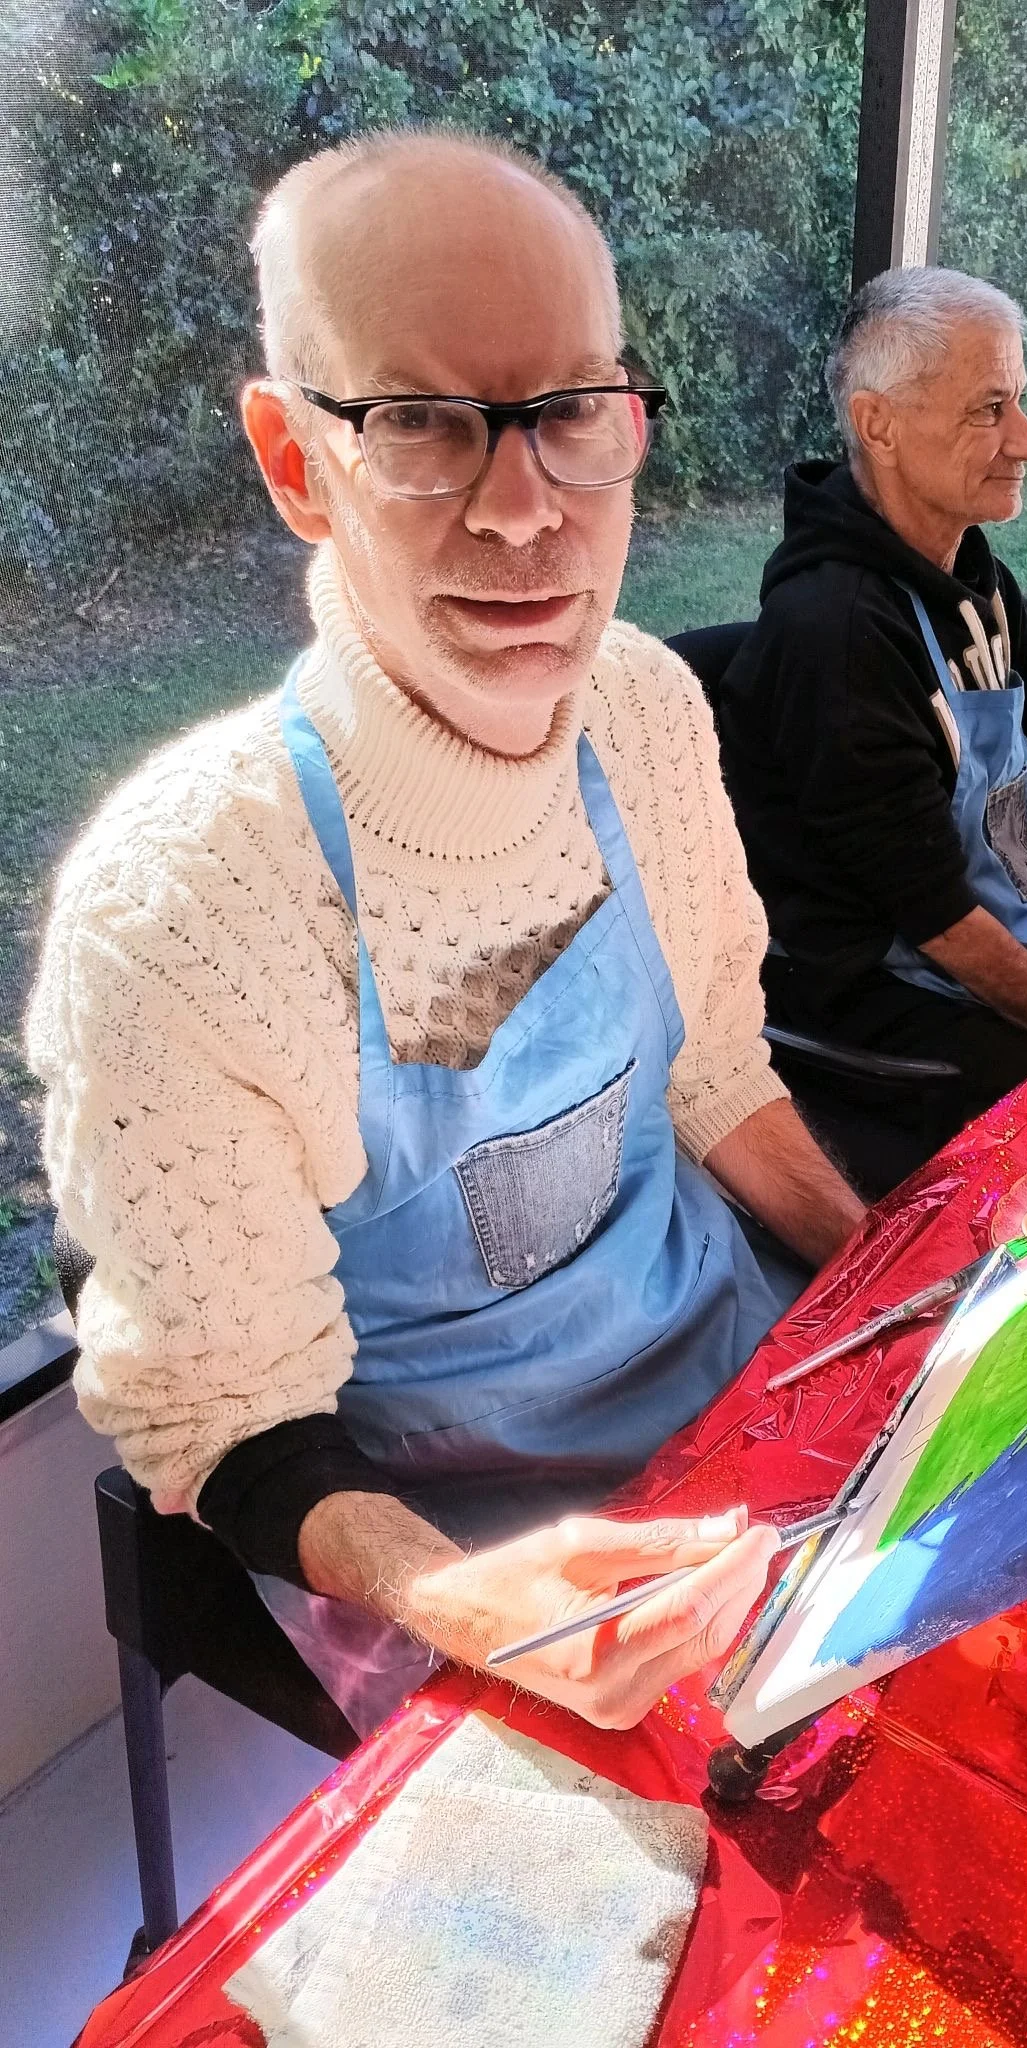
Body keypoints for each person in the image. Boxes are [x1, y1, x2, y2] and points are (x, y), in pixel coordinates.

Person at [27, 130, 866, 1737]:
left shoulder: (645, 711)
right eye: (419, 422)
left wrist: (901, 1275)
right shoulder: (182, 910)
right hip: (458, 1547)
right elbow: (239, 1422)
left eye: (570, 412)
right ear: (295, 461)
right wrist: (470, 1602)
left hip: (739, 1379)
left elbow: (713, 1075)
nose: (524, 513)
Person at [713, 268, 1027, 1183]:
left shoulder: (967, 571)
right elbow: (936, 914)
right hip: (882, 987)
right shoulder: (838, 634)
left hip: (1002, 915)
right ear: (879, 425)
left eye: (1018, 400)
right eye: (990, 409)